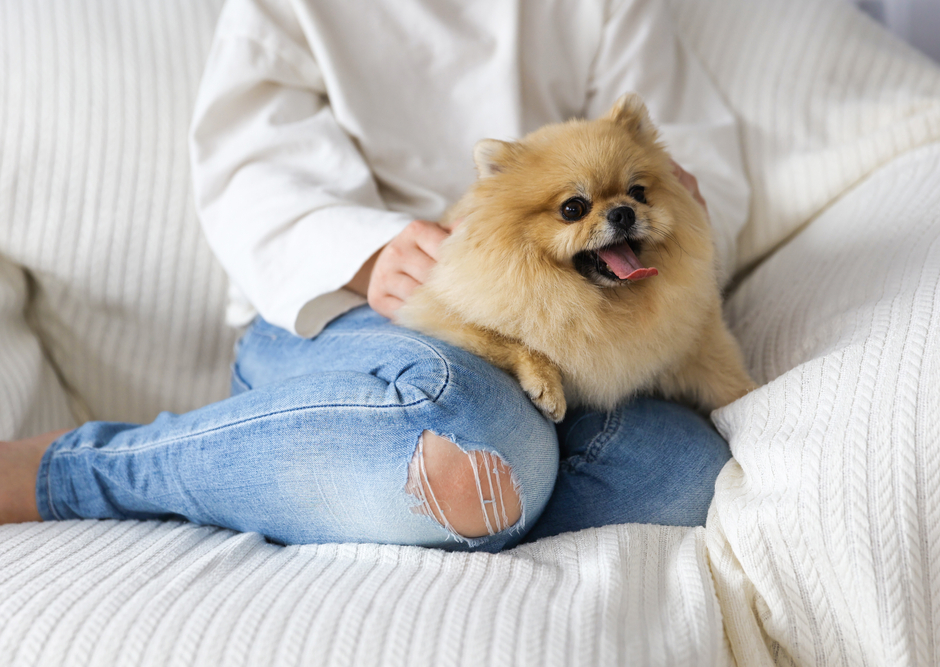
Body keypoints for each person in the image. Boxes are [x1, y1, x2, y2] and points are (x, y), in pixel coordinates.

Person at [0, 0, 749, 552]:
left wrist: (680, 190)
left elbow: (680, 146)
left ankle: (430, 497)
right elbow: (246, 170)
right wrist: (367, 253)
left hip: (573, 336)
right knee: (476, 433)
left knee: (678, 476)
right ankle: (79, 469)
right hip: (345, 313)